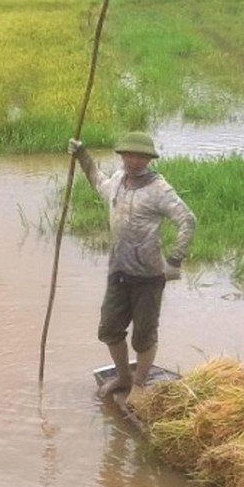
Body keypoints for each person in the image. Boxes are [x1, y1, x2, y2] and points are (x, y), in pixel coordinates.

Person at [67, 131, 196, 398]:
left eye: (141, 157)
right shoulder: (117, 181)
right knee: (109, 329)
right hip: (119, 272)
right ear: (122, 155)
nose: (134, 161)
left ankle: (139, 384)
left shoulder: (159, 189)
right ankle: (124, 377)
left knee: (144, 336)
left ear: (148, 159)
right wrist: (82, 156)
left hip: (148, 275)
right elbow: (97, 182)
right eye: (130, 155)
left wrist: (174, 260)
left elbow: (187, 220)